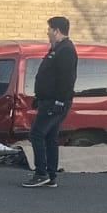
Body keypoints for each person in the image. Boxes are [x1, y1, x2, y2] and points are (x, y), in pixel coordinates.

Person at [22, 16, 78, 189]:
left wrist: (60, 101)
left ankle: (41, 173)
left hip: (56, 103)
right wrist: (40, 98)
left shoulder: (66, 50)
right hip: (48, 101)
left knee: (37, 134)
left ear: (57, 31)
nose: (47, 32)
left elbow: (67, 79)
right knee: (50, 137)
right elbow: (50, 77)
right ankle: (51, 175)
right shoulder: (57, 49)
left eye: (49, 29)